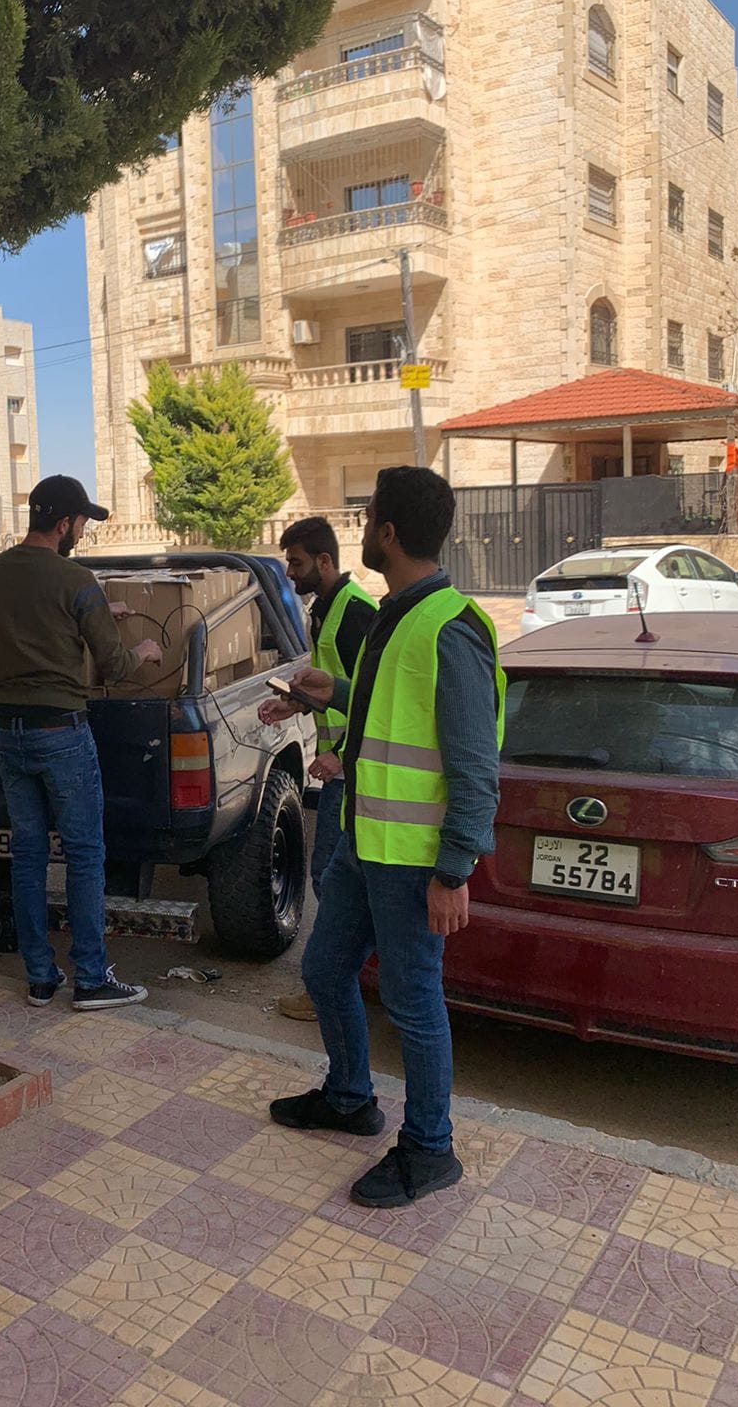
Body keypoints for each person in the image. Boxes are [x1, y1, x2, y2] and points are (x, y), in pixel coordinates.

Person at [258, 466, 503, 1207]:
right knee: (328, 970)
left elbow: (473, 765)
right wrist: (338, 694)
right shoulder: (398, 613)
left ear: (388, 532)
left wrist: (454, 870)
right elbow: (399, 712)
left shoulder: (449, 626)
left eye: (367, 520)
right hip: (367, 847)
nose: (361, 531)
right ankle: (349, 1097)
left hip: (413, 861)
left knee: (413, 999)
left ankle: (430, 1148)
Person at [0, 474, 161, 1010]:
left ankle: (40, 977)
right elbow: (115, 666)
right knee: (84, 855)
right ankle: (90, 979)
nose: (82, 530)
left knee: (28, 856)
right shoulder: (76, 579)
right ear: (63, 523)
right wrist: (144, 647)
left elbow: (38, 623)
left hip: (8, 733)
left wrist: (101, 613)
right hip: (62, 732)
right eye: (81, 521)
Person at [275, 517, 376, 1022]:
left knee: (332, 880)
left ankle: (331, 989)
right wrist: (295, 703)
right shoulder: (327, 610)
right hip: (341, 770)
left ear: (324, 561)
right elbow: (336, 689)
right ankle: (336, 985)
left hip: (352, 772)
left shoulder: (356, 613)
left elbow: (376, 699)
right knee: (331, 878)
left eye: (295, 562)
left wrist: (342, 753)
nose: (290, 573)